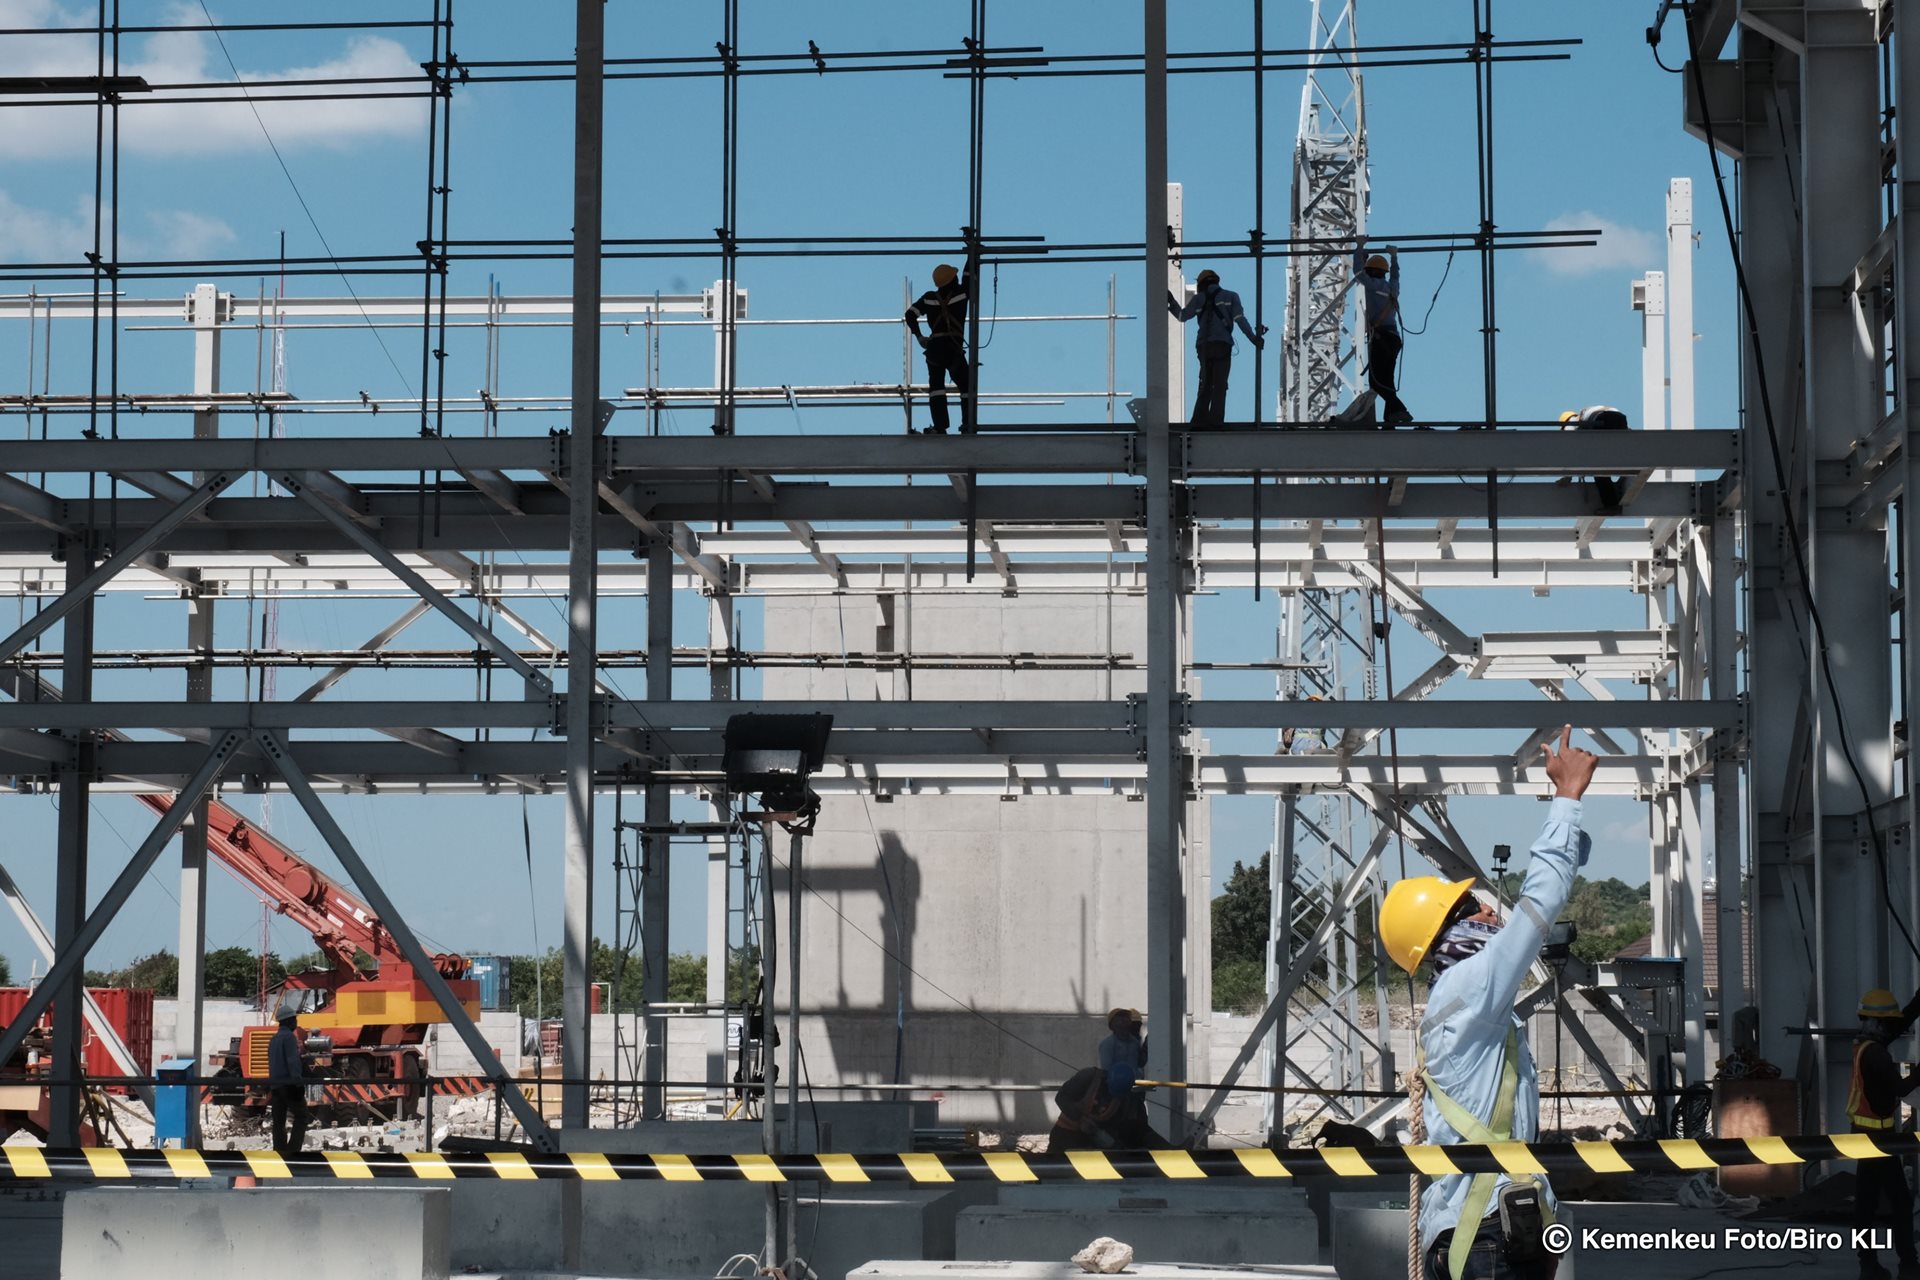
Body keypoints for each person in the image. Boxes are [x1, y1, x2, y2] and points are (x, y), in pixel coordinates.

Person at [1378, 724, 1597, 1280]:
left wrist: (1571, 824)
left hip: (1487, 1229)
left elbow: (1558, 880)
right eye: (1476, 906)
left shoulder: (1459, 993)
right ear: (1449, 930)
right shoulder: (1474, 985)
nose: (1491, 912)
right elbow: (1541, 901)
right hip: (1488, 1237)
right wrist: (1566, 801)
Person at [1847, 985, 1920, 1280]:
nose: (1893, 1027)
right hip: (1878, 1139)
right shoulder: (1876, 1055)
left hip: (1864, 1133)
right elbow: (1900, 1089)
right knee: (1900, 1202)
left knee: (1866, 1203)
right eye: (1888, 1023)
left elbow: (1901, 1021)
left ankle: (1869, 1264)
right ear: (1878, 1023)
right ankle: (1908, 1265)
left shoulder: (1865, 1044)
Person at [1167, 269, 1263, 426]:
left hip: (1204, 346)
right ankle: (1216, 422)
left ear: (1201, 284)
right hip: (1222, 345)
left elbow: (1182, 316)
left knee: (1205, 383)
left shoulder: (1199, 299)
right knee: (1220, 385)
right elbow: (1240, 320)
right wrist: (1254, 339)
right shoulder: (1231, 296)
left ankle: (1198, 422)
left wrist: (1171, 301)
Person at [905, 262, 975, 434]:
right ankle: (968, 425)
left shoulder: (930, 298)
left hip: (935, 348)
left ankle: (940, 427)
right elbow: (970, 274)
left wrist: (920, 336)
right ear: (953, 279)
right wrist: (971, 251)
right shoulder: (962, 293)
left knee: (936, 387)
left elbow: (910, 315)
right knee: (967, 386)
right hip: (952, 348)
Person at [1354, 243, 1413, 426]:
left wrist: (1359, 246)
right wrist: (1394, 256)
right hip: (1393, 339)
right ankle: (1390, 419)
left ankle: (1401, 410)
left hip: (1380, 340)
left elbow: (1357, 272)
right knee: (1387, 381)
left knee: (1377, 382)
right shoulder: (1392, 288)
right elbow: (1396, 275)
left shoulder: (1370, 285)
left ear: (1370, 271)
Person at [1558, 406, 1630, 510]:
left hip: (1602, 420)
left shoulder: (1572, 421)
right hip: (1621, 419)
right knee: (1607, 461)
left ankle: (1611, 504)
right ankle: (1624, 479)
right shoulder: (1586, 415)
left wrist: (1567, 476)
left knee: (1598, 470)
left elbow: (1570, 445)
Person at [267, 1008, 310, 1155]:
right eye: (295, 1019)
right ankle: (293, 1152)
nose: (296, 1023)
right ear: (290, 1021)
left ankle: (279, 1152)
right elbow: (292, 1062)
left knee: (278, 1121)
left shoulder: (274, 1039)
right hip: (289, 1085)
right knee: (302, 1117)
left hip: (276, 1086)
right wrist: (298, 1083)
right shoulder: (289, 1038)